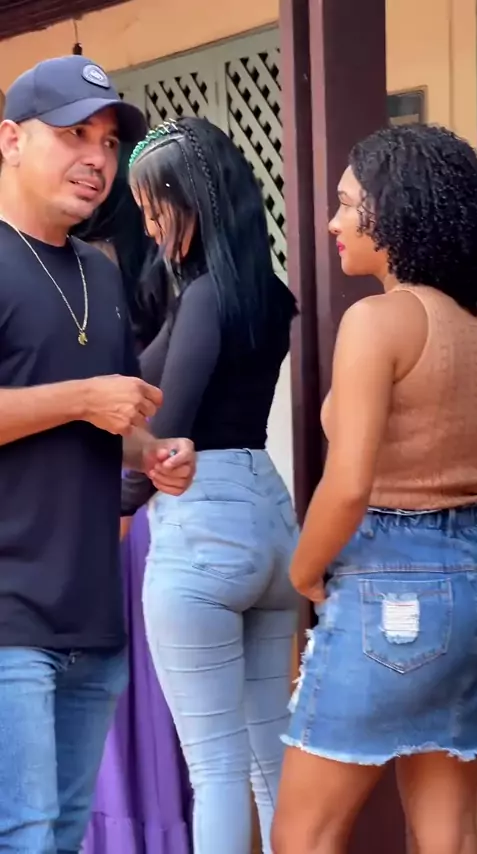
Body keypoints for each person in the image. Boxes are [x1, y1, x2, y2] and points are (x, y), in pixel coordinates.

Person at [0, 56, 195, 853]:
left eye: (109, 143)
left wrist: (153, 450)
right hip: (8, 614)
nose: (97, 159)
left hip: (92, 614)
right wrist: (83, 398)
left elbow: (113, 420)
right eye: (74, 134)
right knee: (23, 836)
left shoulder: (100, 272)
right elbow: (86, 399)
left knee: (60, 837)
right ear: (11, 140)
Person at [272, 123, 477, 854]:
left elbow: (349, 482)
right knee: (450, 835)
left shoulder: (378, 321)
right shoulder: (471, 325)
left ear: (396, 208)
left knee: (303, 836)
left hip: (389, 587)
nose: (333, 222)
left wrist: (303, 571)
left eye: (346, 203)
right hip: (471, 583)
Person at [121, 116, 300, 854]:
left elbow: (169, 430)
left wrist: (120, 508)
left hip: (204, 525)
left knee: (216, 767)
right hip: (270, 519)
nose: (149, 224)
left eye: (154, 206)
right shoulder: (269, 294)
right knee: (271, 756)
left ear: (192, 199)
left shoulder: (203, 298)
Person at [75, 159, 192, 854]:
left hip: (114, 518)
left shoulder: (89, 271)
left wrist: (118, 509)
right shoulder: (159, 281)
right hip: (136, 516)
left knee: (112, 716)